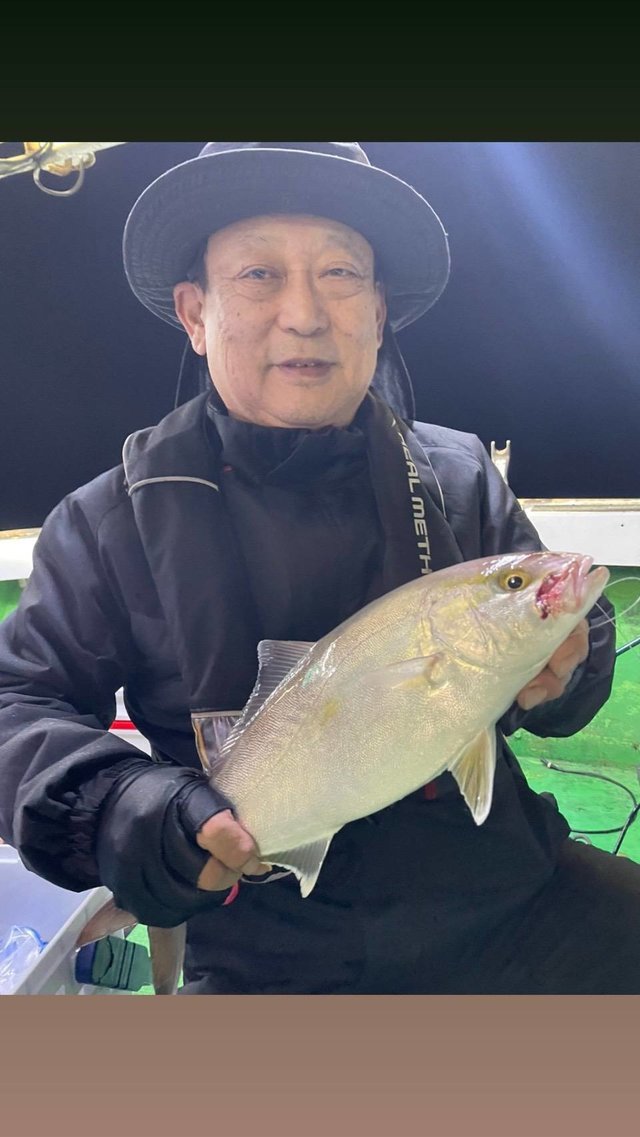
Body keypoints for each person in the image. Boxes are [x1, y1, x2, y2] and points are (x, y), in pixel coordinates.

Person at [0, 142, 637, 995]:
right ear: (195, 312)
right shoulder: (109, 519)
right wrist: (125, 807)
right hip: (267, 944)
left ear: (377, 310)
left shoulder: (457, 477)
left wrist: (570, 666)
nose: (304, 314)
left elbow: (568, 661)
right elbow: (16, 702)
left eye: (340, 273)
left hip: (512, 896)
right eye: (259, 274)